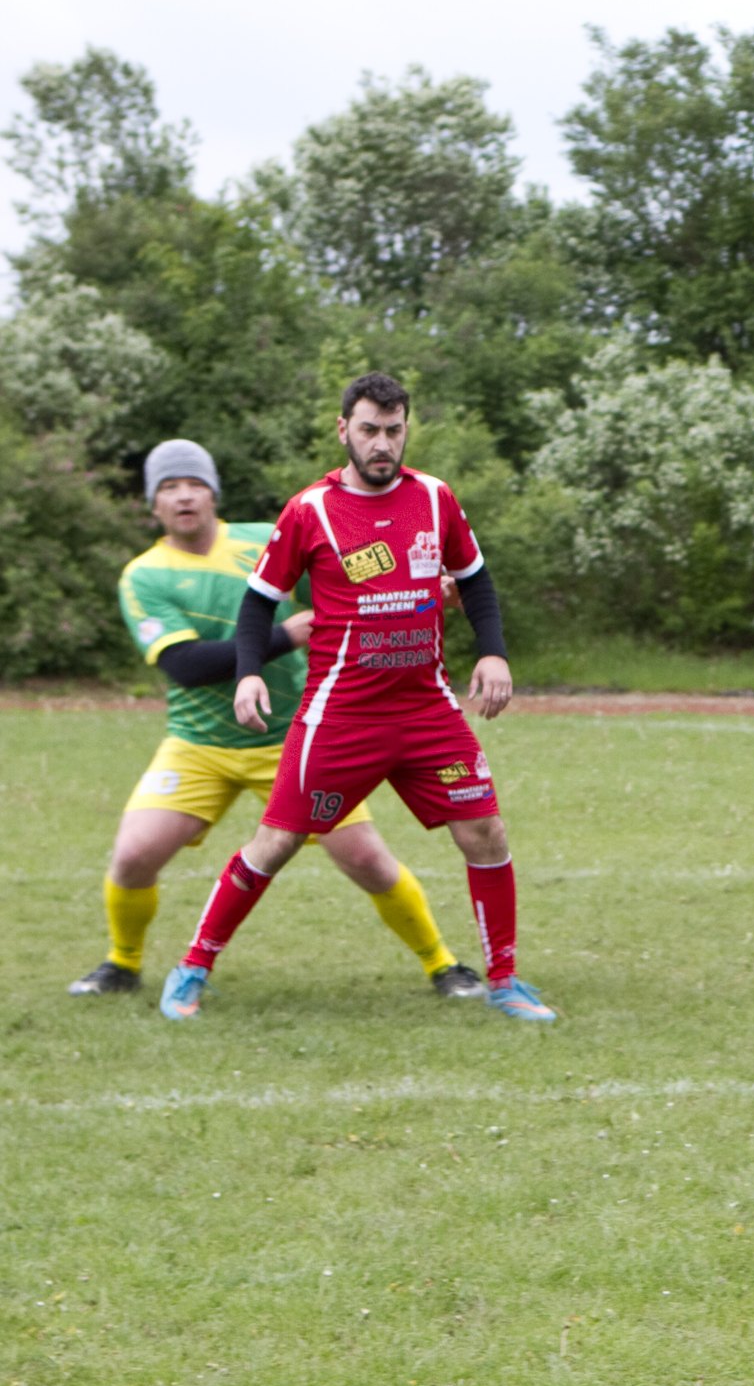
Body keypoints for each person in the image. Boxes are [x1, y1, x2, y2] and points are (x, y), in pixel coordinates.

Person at [156, 374, 556, 1024]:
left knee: (484, 830)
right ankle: (193, 964)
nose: (382, 444)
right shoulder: (308, 511)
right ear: (343, 430)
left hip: (427, 710)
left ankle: (506, 980)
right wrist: (250, 671)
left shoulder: (435, 499)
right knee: (276, 844)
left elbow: (477, 583)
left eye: (393, 430)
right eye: (369, 429)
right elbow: (258, 602)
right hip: (341, 717)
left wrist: (493, 651)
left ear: (406, 430)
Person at [66, 439, 474, 1001]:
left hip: (297, 736)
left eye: (194, 485)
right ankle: (122, 963)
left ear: (213, 493)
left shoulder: (265, 537)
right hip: (200, 743)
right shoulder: (145, 575)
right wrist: (286, 635)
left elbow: (362, 579)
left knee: (369, 861)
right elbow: (184, 665)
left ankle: (445, 965)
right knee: (134, 855)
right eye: (169, 488)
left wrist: (428, 591)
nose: (184, 497)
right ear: (152, 505)